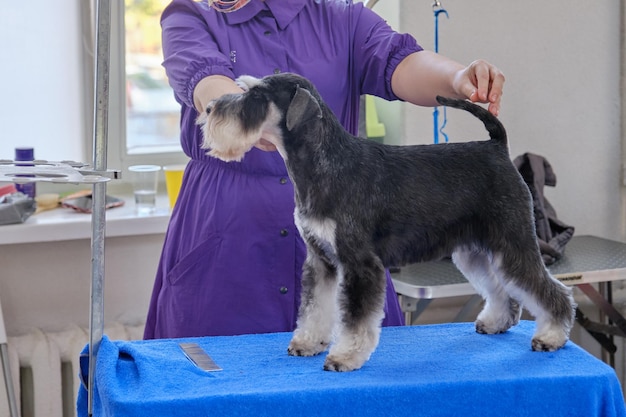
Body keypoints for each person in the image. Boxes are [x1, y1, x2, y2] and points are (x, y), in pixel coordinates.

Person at [144, 0, 505, 339]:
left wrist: (457, 79)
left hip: (338, 222)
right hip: (227, 239)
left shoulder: (342, 17)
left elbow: (401, 60)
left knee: (355, 387)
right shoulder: (192, 13)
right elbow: (204, 78)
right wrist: (243, 115)